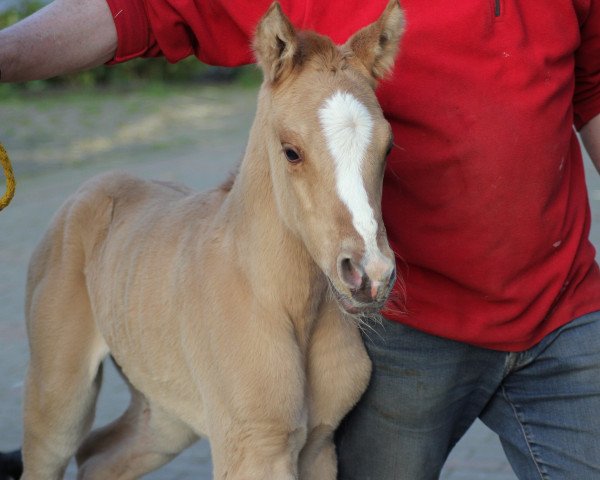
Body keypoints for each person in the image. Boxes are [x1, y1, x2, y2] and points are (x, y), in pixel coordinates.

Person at [2, 0, 600, 478]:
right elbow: (138, 8)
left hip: (565, 307)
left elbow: (593, 90)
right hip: (403, 324)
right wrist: (5, 53)